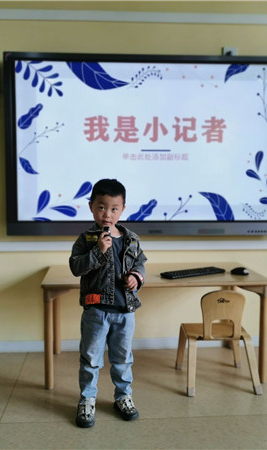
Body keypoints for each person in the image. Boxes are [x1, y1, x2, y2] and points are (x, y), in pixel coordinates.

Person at [69, 178, 147, 428]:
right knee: (91, 359)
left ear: (122, 209)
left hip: (125, 311)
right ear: (91, 207)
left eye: (114, 208)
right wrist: (98, 251)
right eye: (101, 207)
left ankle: (123, 396)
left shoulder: (131, 238)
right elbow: (76, 267)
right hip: (96, 310)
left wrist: (136, 277)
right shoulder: (87, 239)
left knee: (123, 359)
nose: (107, 214)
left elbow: (140, 263)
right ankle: (87, 399)